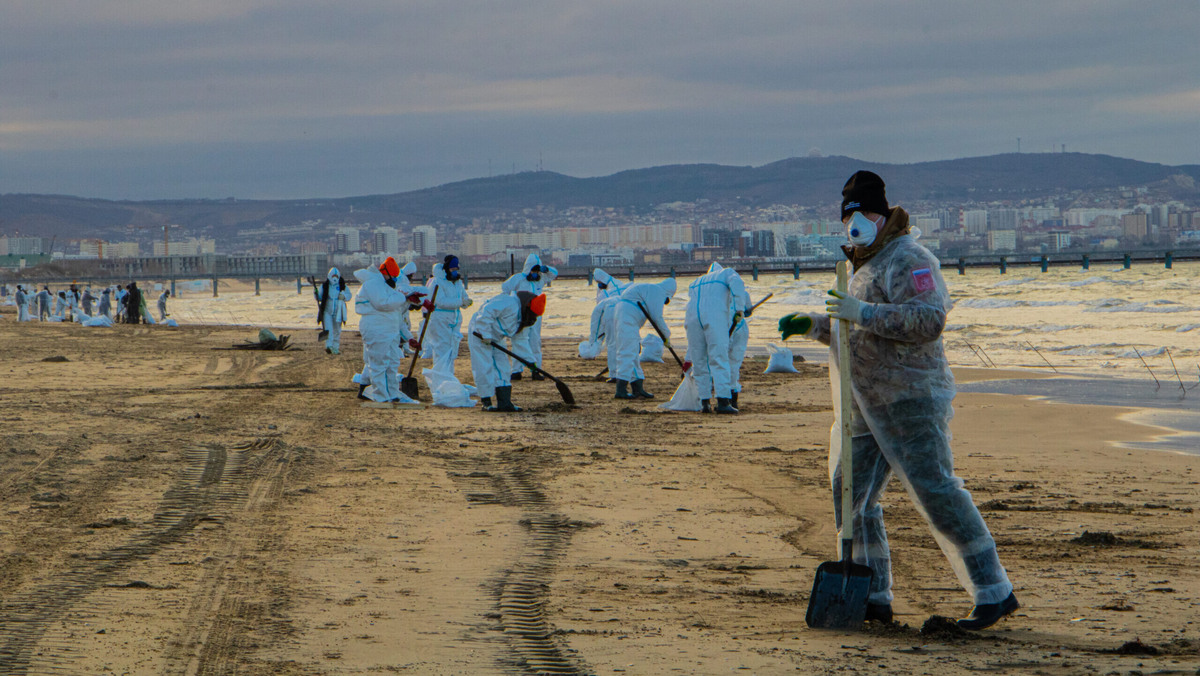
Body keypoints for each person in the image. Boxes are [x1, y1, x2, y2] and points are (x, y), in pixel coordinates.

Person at [778, 170, 1017, 630]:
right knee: (851, 497)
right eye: (848, 216)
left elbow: (928, 320)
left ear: (882, 214)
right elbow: (858, 335)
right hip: (866, 404)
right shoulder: (862, 266)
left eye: (862, 213)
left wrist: (861, 311)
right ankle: (872, 592)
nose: (854, 223)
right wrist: (815, 325)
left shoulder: (910, 259)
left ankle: (993, 590)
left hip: (910, 397)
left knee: (936, 491)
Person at [353, 257, 426, 403]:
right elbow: (383, 304)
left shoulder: (388, 288)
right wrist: (403, 297)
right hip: (376, 330)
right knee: (378, 364)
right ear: (384, 272)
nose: (392, 278)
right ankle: (380, 396)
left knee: (392, 363)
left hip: (390, 332)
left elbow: (397, 317)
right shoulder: (373, 285)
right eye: (391, 275)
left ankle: (392, 394)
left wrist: (408, 337)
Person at [684, 262, 751, 414]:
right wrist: (740, 309)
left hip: (693, 318)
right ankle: (722, 401)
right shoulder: (726, 274)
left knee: (699, 360)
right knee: (719, 358)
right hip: (714, 317)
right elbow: (738, 284)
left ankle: (705, 403)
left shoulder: (696, 282)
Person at [467, 290, 545, 412]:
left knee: (502, 366)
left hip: (497, 338)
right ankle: (486, 401)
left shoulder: (523, 319)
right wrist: (485, 333)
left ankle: (504, 402)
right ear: (527, 306)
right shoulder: (508, 302)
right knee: (484, 366)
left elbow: (521, 341)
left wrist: (530, 361)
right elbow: (486, 312)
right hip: (479, 333)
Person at [611, 279, 676, 399]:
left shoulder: (649, 288)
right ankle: (620, 390)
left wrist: (665, 337)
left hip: (623, 315)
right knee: (627, 352)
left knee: (633, 351)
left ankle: (638, 388)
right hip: (627, 318)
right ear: (669, 293)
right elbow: (657, 317)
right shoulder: (658, 291)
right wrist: (666, 336)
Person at [500, 253, 558, 380]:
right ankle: (516, 370)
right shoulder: (519, 278)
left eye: (538, 271)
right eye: (534, 270)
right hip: (521, 315)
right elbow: (504, 288)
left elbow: (554, 274)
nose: (536, 273)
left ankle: (536, 370)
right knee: (519, 341)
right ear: (528, 269)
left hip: (535, 315)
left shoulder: (541, 279)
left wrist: (546, 269)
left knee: (535, 342)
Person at [424, 255, 472, 375]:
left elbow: (463, 296)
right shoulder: (437, 282)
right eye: (452, 269)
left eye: (456, 269)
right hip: (440, 319)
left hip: (454, 319)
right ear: (446, 269)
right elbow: (440, 301)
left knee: (452, 350)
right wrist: (460, 302)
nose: (455, 271)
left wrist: (466, 302)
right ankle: (441, 377)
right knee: (442, 350)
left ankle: (448, 376)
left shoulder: (457, 283)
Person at [314, 268, 351, 354]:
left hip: (338, 312)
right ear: (329, 276)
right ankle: (329, 346)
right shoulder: (325, 286)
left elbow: (349, 295)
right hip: (327, 311)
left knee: (337, 330)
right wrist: (315, 294)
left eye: (336, 276)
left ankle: (335, 348)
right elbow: (320, 298)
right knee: (328, 329)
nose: (334, 278)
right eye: (333, 276)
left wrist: (344, 296)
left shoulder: (342, 286)